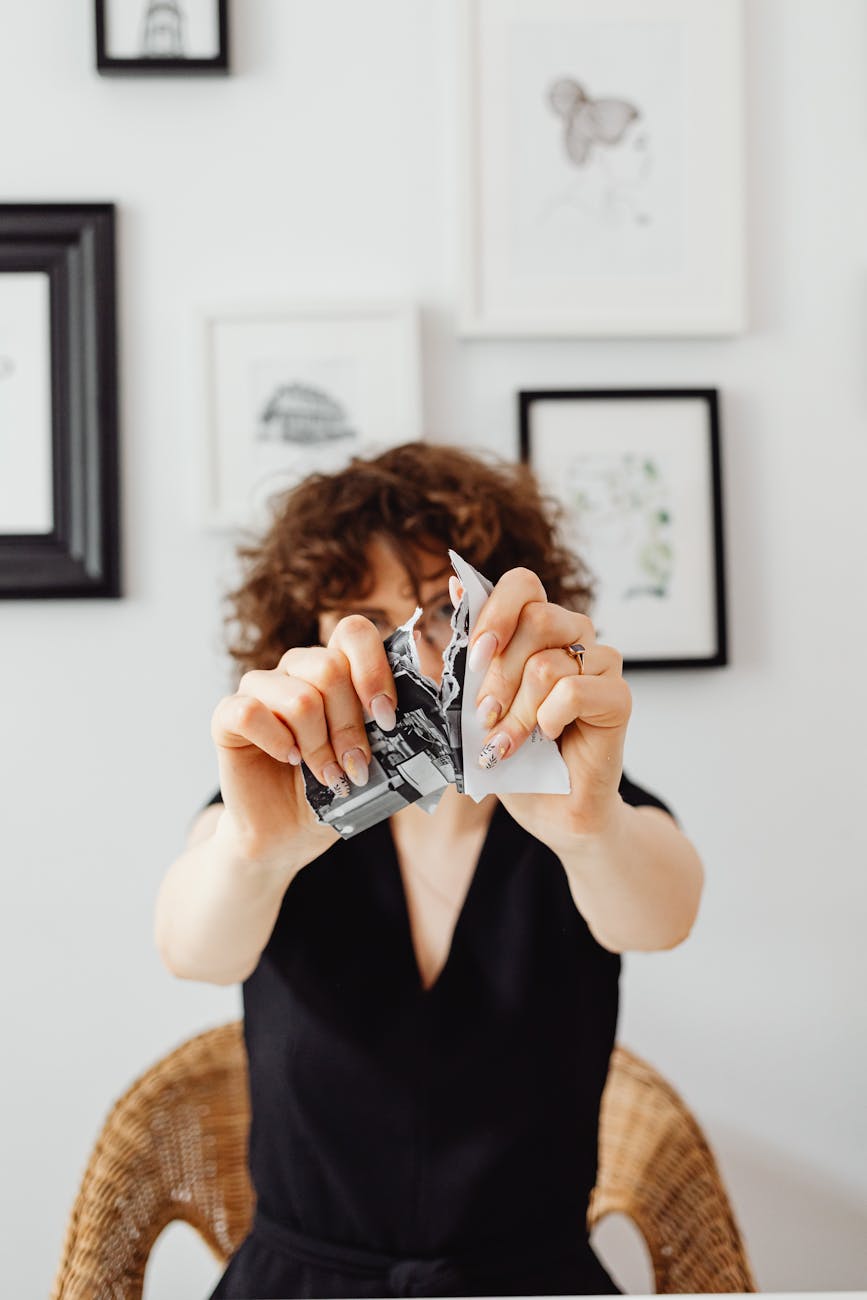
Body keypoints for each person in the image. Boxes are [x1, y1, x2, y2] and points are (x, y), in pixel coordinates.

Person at [155, 442, 705, 1298]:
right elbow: (192, 948)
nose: (408, 654)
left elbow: (662, 914)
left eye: (436, 612)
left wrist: (587, 827)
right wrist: (257, 853)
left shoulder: (579, 801)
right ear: (306, 640)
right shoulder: (275, 809)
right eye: (363, 620)